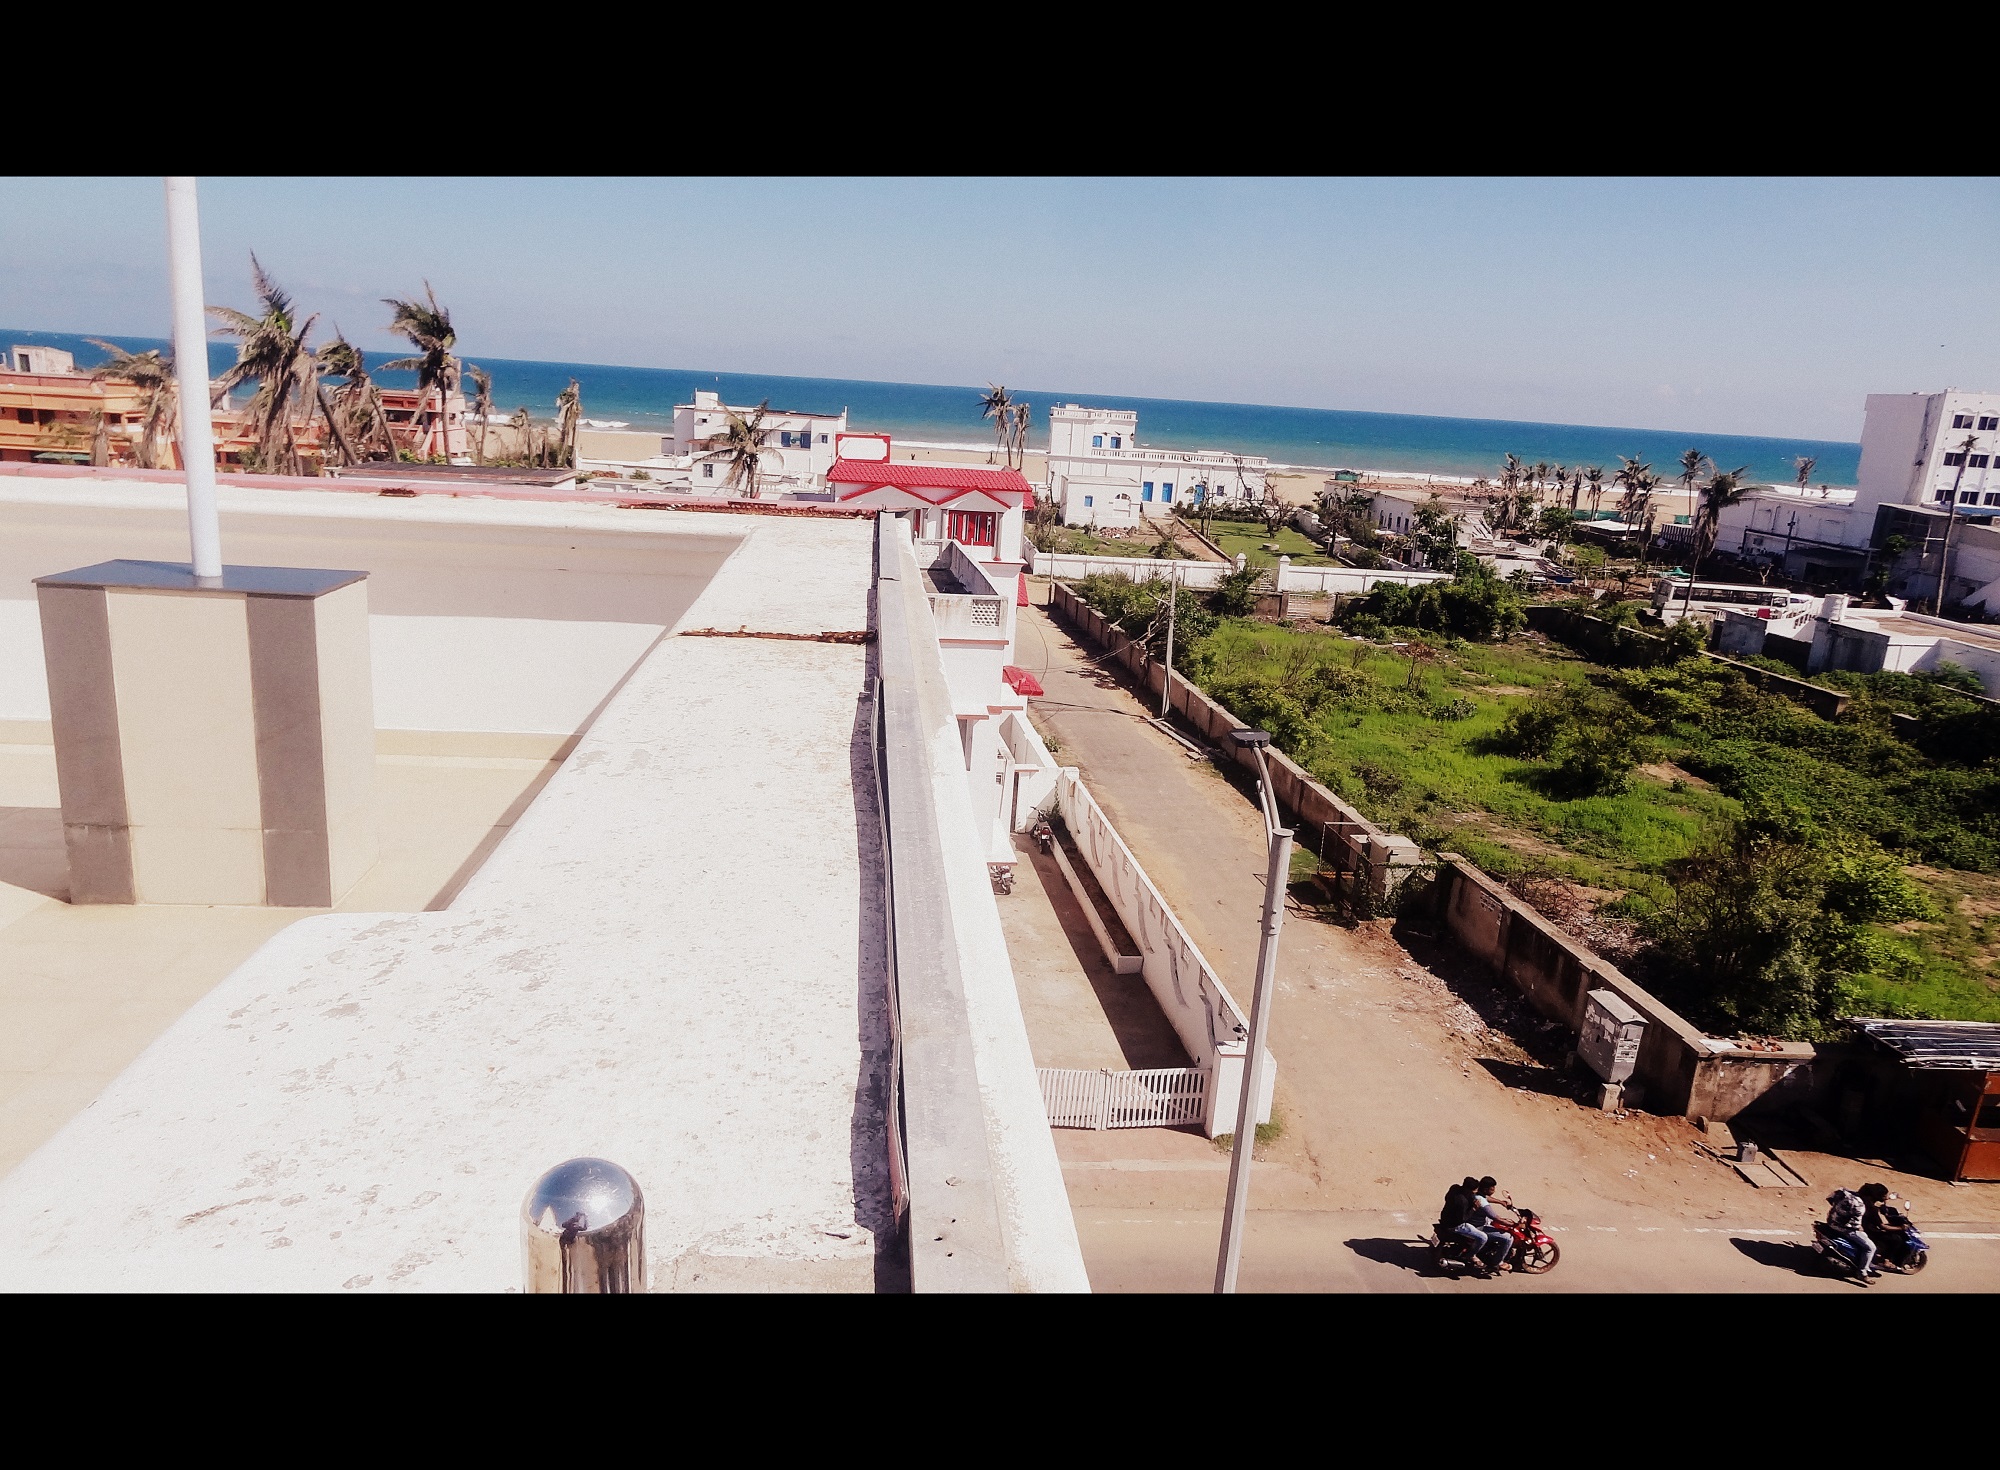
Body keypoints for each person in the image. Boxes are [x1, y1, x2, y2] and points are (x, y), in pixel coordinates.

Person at [1467, 1176, 1518, 1275]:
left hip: (1473, 1223)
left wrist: (1501, 1202)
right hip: (1477, 1227)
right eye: (1492, 1188)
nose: (1494, 1190)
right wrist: (1514, 1224)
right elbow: (1495, 1217)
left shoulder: (1477, 1194)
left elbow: (1486, 1198)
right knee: (1508, 1238)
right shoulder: (1482, 1203)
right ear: (1486, 1189)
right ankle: (1498, 1262)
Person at [1825, 1187, 1878, 1278]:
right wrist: (1859, 1228)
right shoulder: (1859, 1205)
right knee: (1871, 1248)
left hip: (1831, 1221)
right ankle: (1862, 1272)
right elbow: (1856, 1225)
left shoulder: (1843, 1192)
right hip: (1843, 1229)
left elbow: (1830, 1199)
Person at [1860, 1183, 1911, 1269]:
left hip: (1864, 1227)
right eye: (1884, 1196)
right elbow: (1882, 1226)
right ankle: (1886, 1260)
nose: (1886, 1198)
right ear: (1877, 1196)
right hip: (1869, 1231)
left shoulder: (1864, 1202)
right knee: (1896, 1239)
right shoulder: (1871, 1208)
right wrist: (1901, 1228)